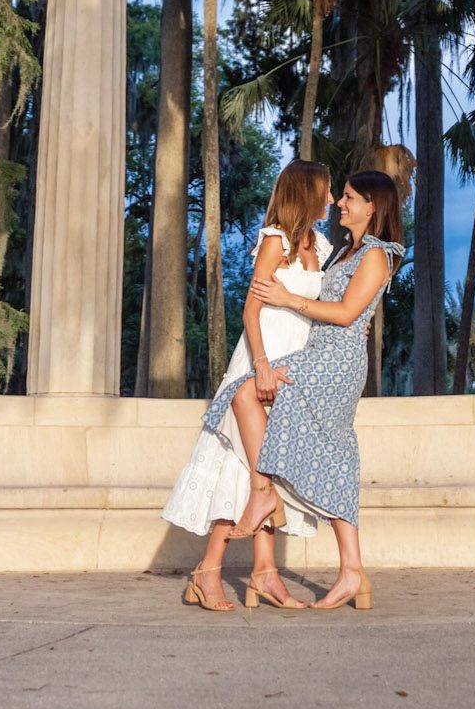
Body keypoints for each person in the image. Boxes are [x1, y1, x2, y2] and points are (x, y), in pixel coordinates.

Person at [209, 169, 404, 612]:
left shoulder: (375, 254)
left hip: (336, 363)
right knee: (333, 453)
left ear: (372, 206)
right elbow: (347, 305)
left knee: (246, 394)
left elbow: (347, 312)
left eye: (350, 197)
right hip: (321, 353)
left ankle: (264, 493)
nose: (340, 203)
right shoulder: (346, 253)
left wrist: (288, 300)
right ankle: (352, 570)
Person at [163, 159, 333, 611]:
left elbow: (317, 311)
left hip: (295, 366)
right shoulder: (275, 240)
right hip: (260, 360)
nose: (332, 200)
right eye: (327, 192)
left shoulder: (320, 244)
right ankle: (210, 574)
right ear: (307, 193)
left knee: (266, 468)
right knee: (241, 467)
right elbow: (251, 312)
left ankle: (263, 573)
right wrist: (260, 364)